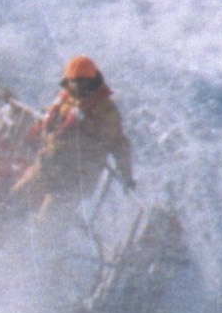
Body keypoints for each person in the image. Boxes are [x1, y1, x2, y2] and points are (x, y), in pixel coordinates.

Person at [13, 55, 135, 211]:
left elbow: (119, 144)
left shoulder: (105, 111)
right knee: (15, 198)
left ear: (91, 81)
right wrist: (34, 133)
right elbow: (50, 120)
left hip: (75, 178)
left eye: (82, 81)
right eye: (74, 81)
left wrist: (126, 174)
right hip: (49, 164)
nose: (77, 85)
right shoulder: (66, 99)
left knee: (49, 221)